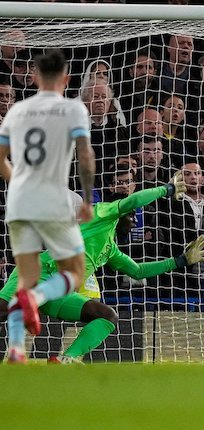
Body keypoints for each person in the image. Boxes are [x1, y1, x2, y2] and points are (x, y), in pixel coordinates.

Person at [0, 179, 204, 363]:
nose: (135, 221)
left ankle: (67, 358)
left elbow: (137, 271)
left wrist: (180, 261)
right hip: (40, 271)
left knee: (107, 316)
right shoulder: (102, 212)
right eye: (132, 216)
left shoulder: (110, 249)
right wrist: (167, 189)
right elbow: (132, 201)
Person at [0, 49, 96, 363]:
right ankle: (37, 297)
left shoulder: (16, 111)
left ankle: (15, 348)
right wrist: (87, 199)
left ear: (35, 77)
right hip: (54, 199)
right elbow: (85, 156)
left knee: (25, 275)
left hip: (20, 201)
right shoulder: (73, 109)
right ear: (66, 79)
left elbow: (0, 159)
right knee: (74, 271)